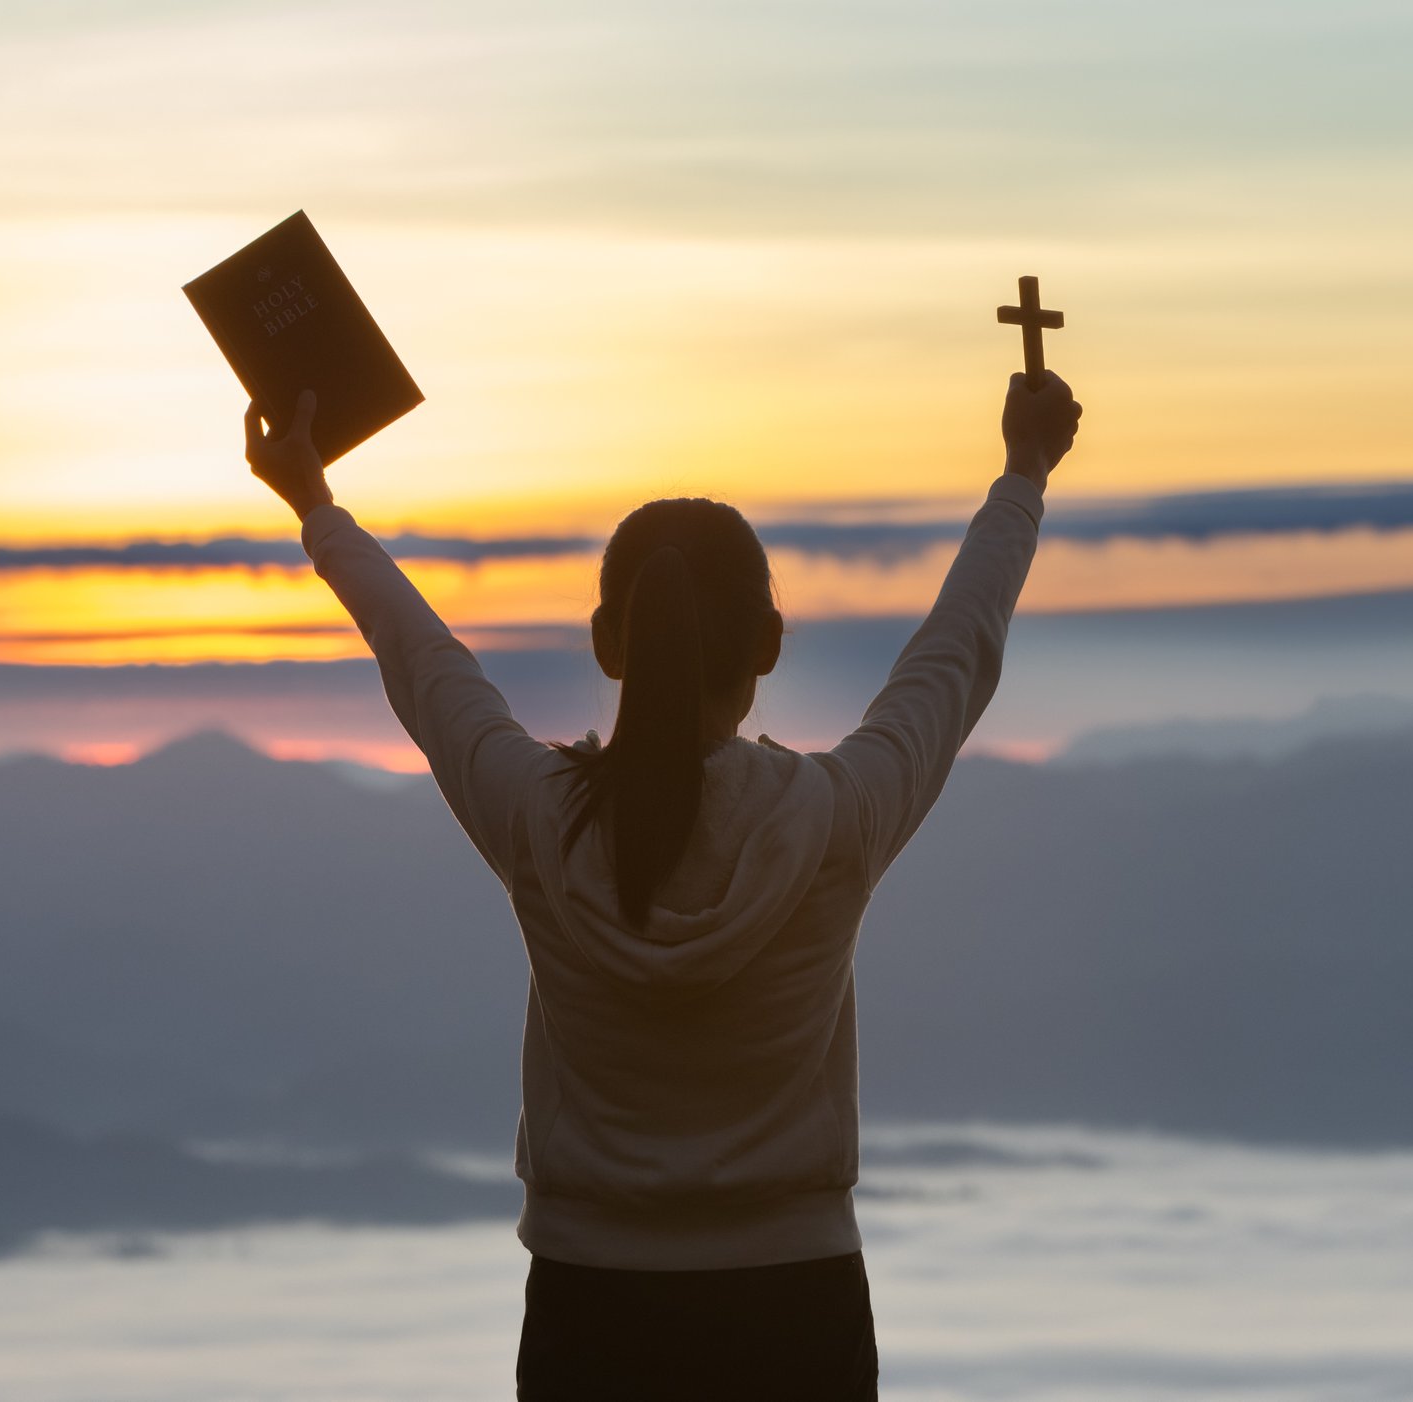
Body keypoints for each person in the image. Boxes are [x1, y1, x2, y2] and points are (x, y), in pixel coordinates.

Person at [245, 369, 1082, 1400]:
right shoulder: (835, 820)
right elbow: (955, 657)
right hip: (800, 1314)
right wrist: (1023, 473)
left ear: (609, 643)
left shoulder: (539, 816)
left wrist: (314, 501)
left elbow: (423, 663)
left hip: (589, 1317)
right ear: (769, 644)